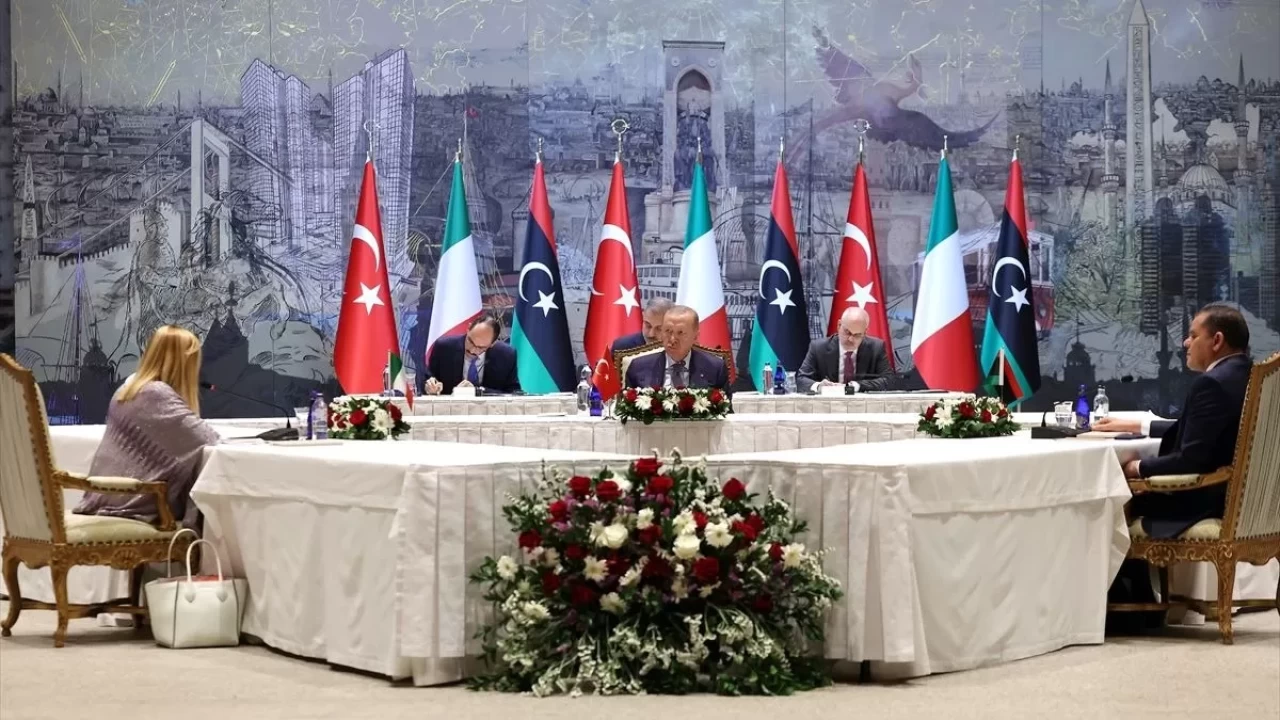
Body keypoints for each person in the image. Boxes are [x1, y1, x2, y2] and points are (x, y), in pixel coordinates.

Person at [1094, 304, 1252, 539]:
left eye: (1193, 336)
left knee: (1102, 502)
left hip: (1201, 505)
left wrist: (1137, 468)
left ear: (1217, 340)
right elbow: (1208, 431)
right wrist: (1137, 426)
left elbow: (1190, 460)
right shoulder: (1248, 374)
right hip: (1245, 505)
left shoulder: (1211, 384)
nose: (1186, 343)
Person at [74, 325, 220, 527]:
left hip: (106, 498)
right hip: (129, 505)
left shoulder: (128, 390)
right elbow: (209, 440)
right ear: (183, 362)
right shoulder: (156, 394)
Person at [624, 305, 729, 390]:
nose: (672, 339)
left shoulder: (715, 368)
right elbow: (626, 408)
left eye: (680, 333)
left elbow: (725, 408)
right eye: (668, 331)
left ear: (695, 336)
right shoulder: (638, 367)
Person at [796, 307, 892, 394]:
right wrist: (819, 386)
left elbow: (889, 380)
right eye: (847, 332)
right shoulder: (818, 348)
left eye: (857, 335)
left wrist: (856, 386)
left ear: (865, 332)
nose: (850, 339)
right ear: (839, 325)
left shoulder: (876, 348)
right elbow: (801, 379)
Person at [424, 314, 520, 395]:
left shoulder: (506, 355)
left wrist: (477, 391)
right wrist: (430, 386)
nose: (472, 350)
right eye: (470, 341)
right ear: (468, 328)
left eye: (481, 347)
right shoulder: (444, 347)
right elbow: (427, 379)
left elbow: (513, 393)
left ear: (492, 344)